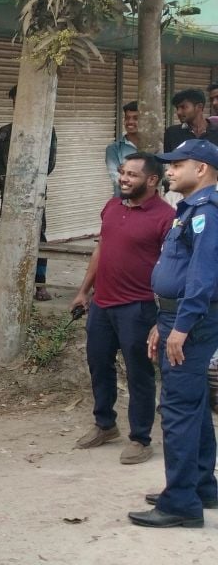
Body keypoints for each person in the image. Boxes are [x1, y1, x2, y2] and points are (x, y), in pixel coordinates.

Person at [128, 139, 218, 528]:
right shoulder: (190, 209)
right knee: (193, 404)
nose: (168, 170)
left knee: (178, 409)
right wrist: (161, 322)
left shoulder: (207, 213)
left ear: (201, 169)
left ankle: (180, 503)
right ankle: (200, 485)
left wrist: (180, 326)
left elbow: (202, 276)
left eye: (176, 164)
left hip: (189, 321)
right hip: (175, 317)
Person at [70, 153, 174, 466]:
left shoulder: (165, 217)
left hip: (139, 308)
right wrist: (83, 291)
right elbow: (101, 250)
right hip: (102, 304)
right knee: (99, 365)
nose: (124, 179)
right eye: (122, 173)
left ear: (152, 181)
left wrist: (166, 312)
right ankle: (105, 424)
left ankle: (140, 438)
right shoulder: (112, 207)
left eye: (132, 175)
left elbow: (172, 266)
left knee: (139, 373)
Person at [0, 85, 57, 301]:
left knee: (38, 237)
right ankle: (7, 282)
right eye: (15, 102)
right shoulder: (3, 133)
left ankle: (39, 284)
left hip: (35, 196)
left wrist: (28, 182)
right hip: (9, 197)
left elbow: (49, 164)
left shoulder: (47, 130)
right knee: (8, 237)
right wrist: (10, 185)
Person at [105, 101, 141, 194]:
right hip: (123, 203)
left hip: (150, 204)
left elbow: (159, 175)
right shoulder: (113, 149)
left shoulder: (153, 146)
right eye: (127, 118)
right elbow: (117, 180)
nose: (130, 122)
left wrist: (126, 172)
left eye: (135, 118)